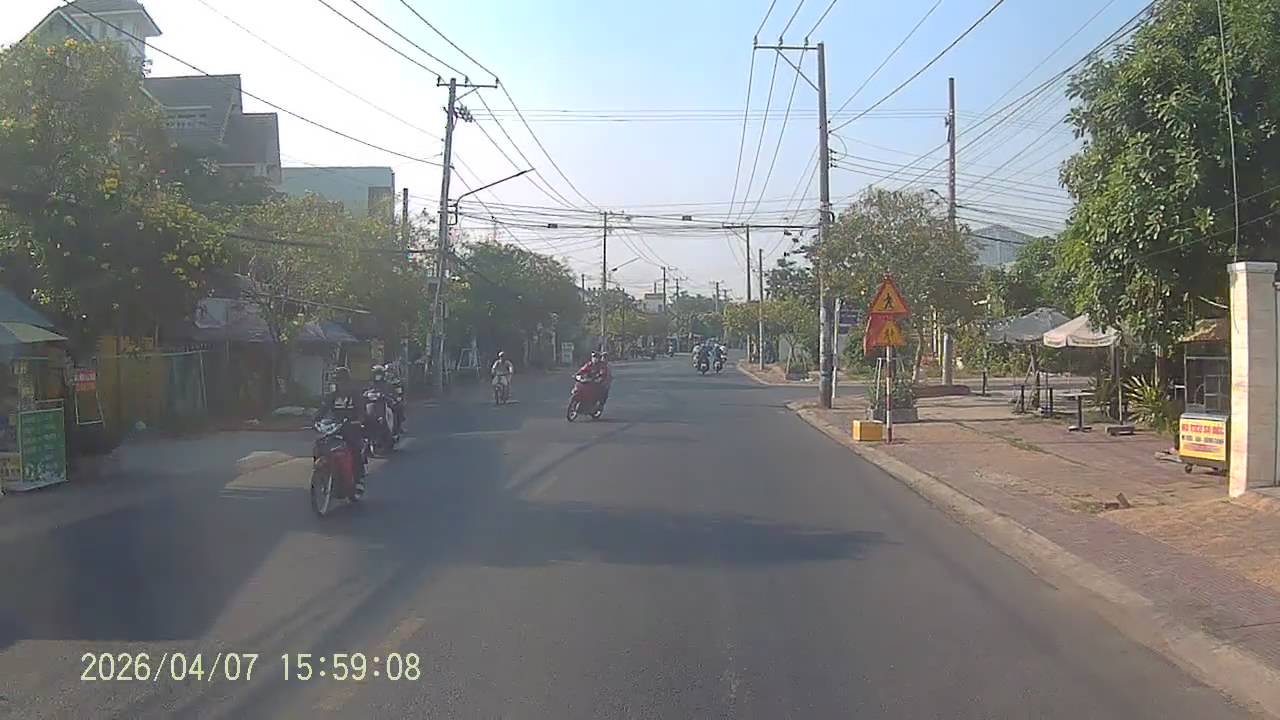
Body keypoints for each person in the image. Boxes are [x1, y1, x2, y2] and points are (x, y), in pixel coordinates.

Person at [314, 366, 367, 496]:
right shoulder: (332, 396)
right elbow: (323, 409)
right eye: (337, 381)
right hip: (335, 427)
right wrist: (316, 420)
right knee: (319, 445)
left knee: (354, 449)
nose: (339, 384)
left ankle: (358, 479)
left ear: (347, 381)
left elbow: (362, 411)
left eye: (342, 381)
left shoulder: (355, 394)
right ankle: (322, 474)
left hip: (351, 427)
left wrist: (359, 420)